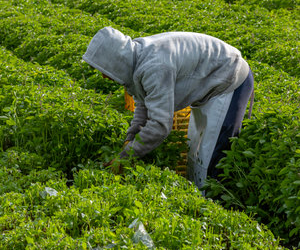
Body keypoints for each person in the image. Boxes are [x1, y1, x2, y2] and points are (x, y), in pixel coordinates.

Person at [82, 27, 254, 190]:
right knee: (196, 154)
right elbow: (144, 105)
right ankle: (199, 199)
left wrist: (126, 156)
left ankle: (214, 208)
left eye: (104, 69)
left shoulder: (154, 66)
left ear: (116, 60)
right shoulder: (136, 59)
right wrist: (130, 139)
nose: (104, 76)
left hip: (229, 78)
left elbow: (160, 125)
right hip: (209, 86)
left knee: (211, 157)